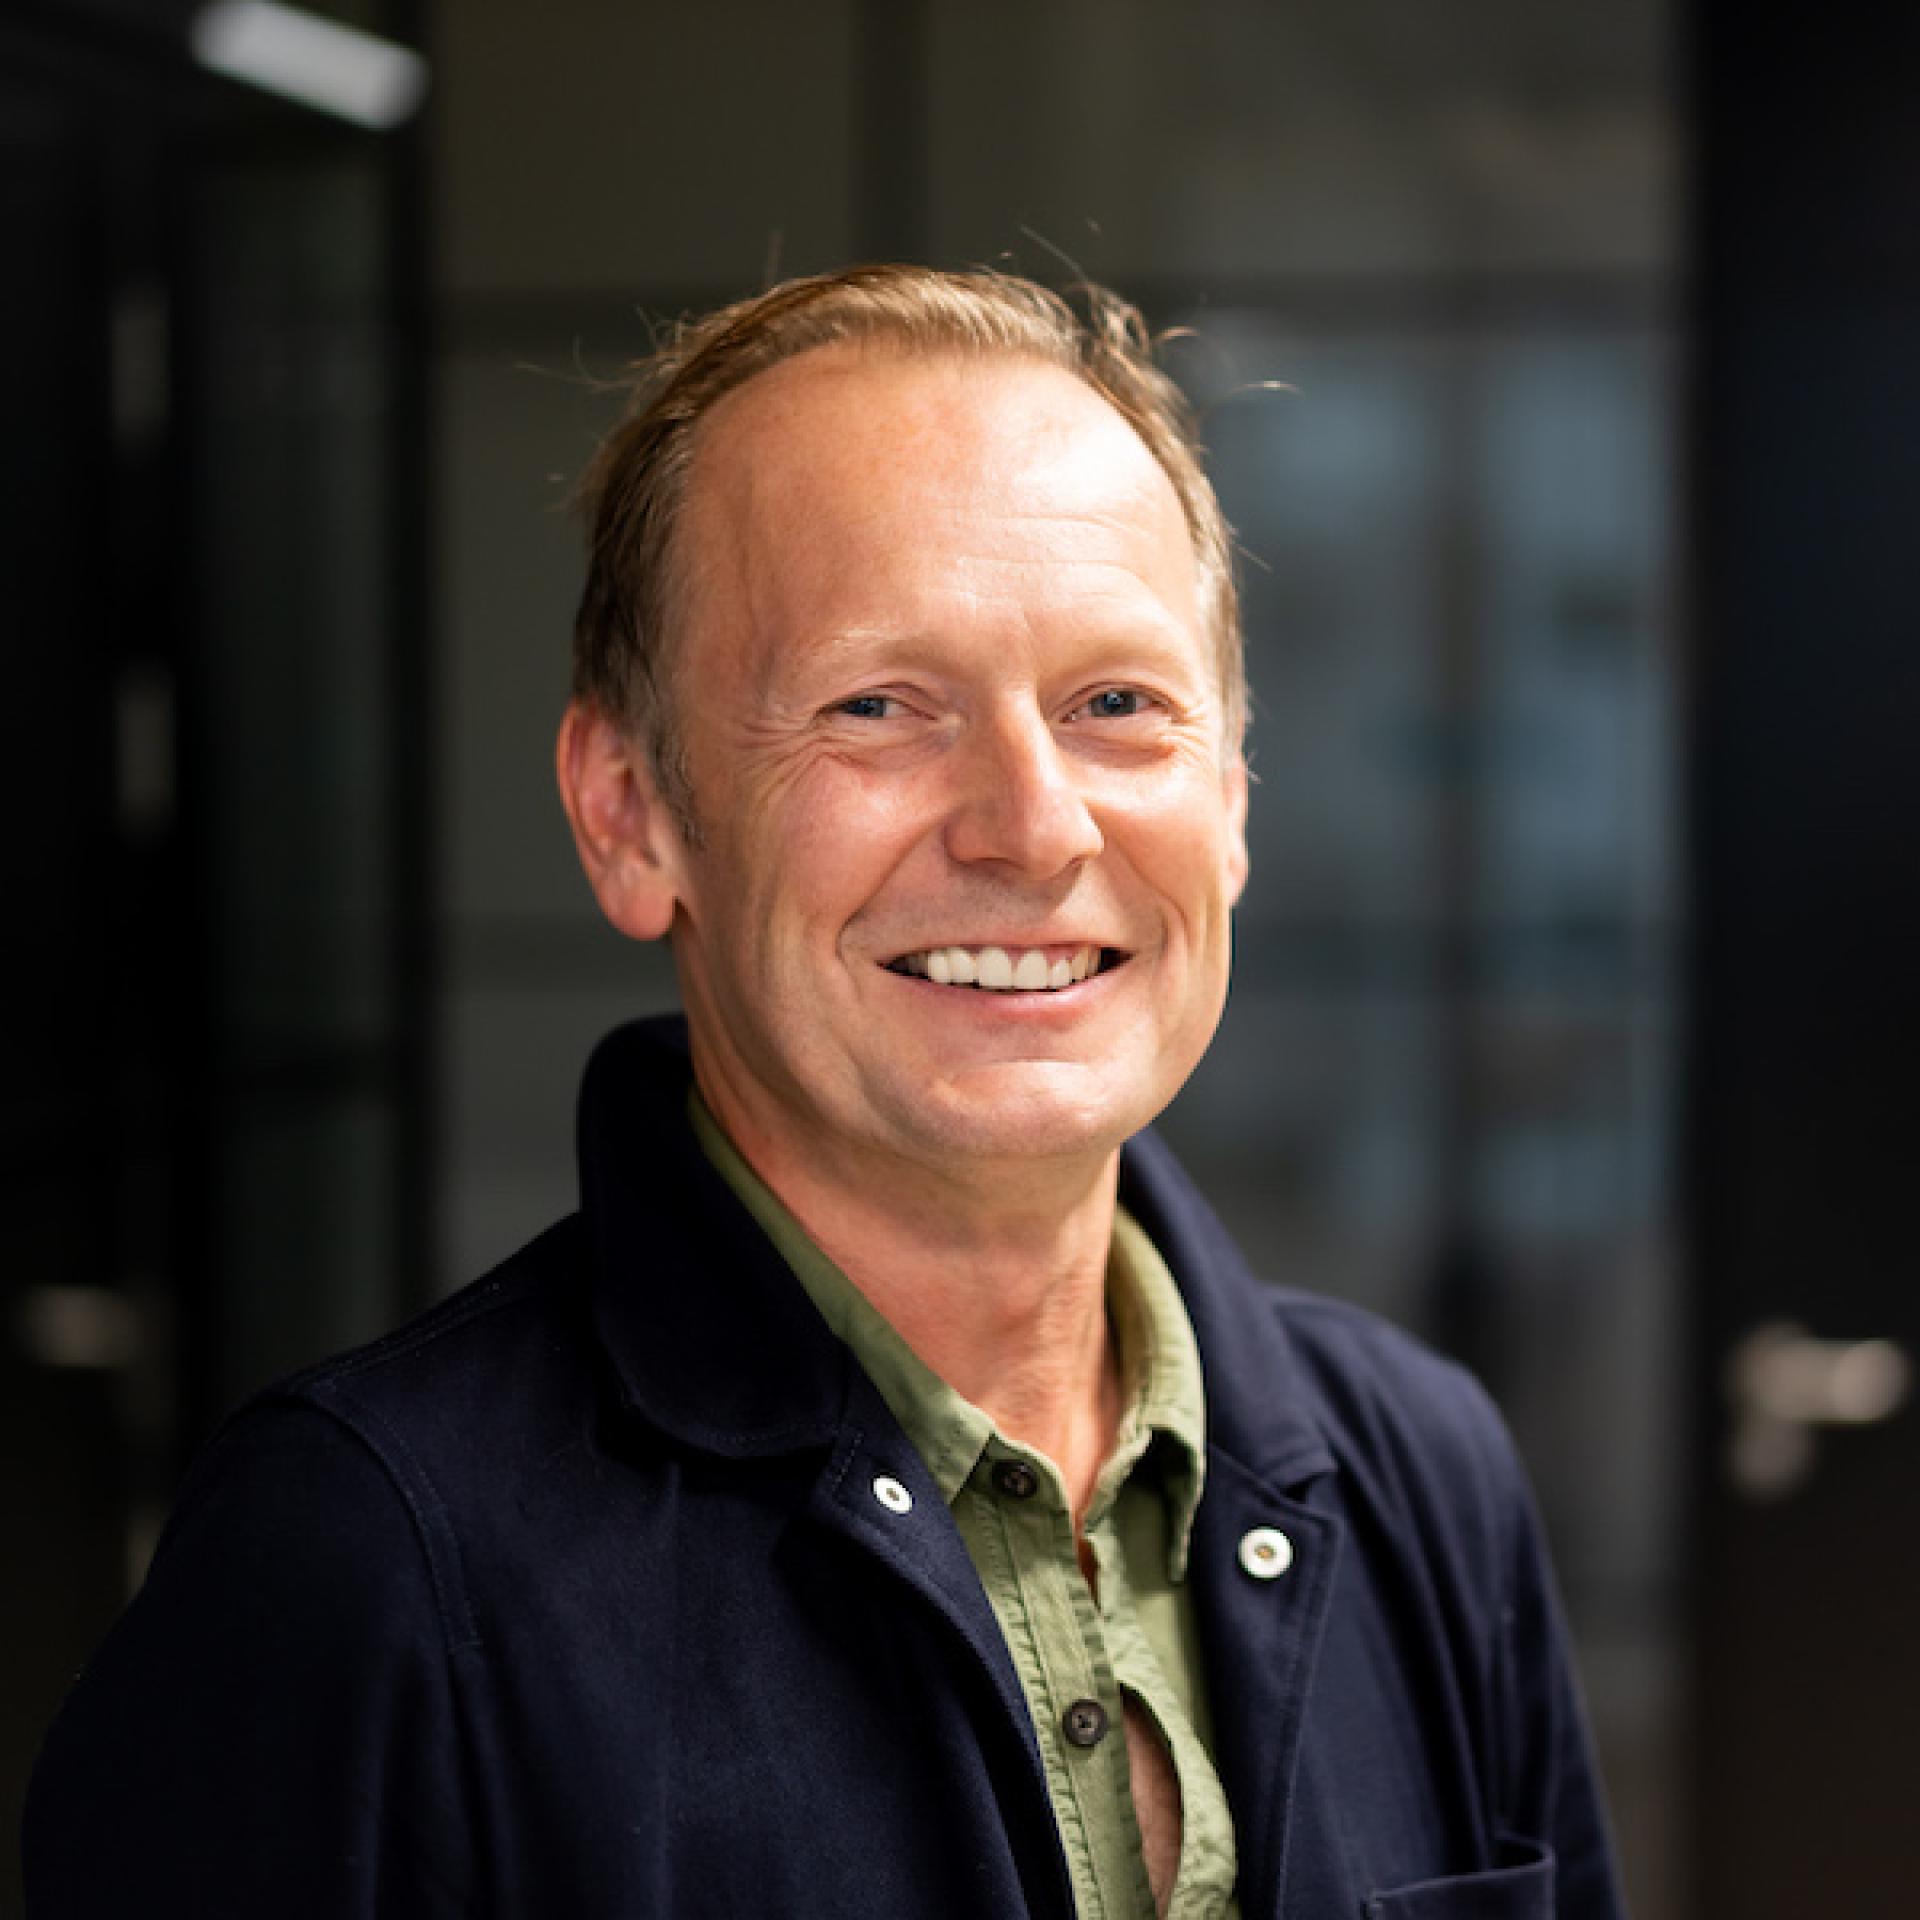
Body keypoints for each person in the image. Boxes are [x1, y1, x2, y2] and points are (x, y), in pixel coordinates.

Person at [26, 264, 1622, 1918]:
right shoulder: (362, 1567)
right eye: (878, 707)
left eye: (1117, 707)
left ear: (1228, 800)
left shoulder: (1424, 1476)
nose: (1033, 825)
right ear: (632, 814)